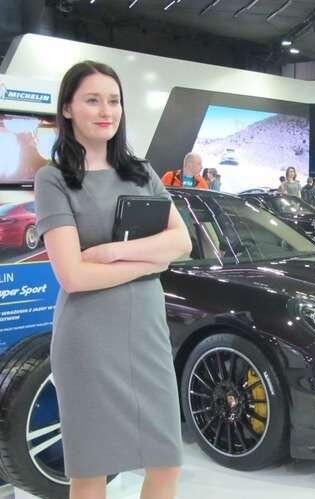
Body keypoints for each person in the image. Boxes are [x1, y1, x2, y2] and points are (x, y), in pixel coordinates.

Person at [34, 61, 189, 499]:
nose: (106, 111)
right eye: (92, 100)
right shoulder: (53, 179)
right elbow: (73, 275)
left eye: (114, 100)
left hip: (147, 332)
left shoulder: (141, 172)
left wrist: (114, 252)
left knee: (166, 463)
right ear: (67, 108)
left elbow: (181, 241)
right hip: (89, 337)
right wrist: (150, 262)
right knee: (91, 471)